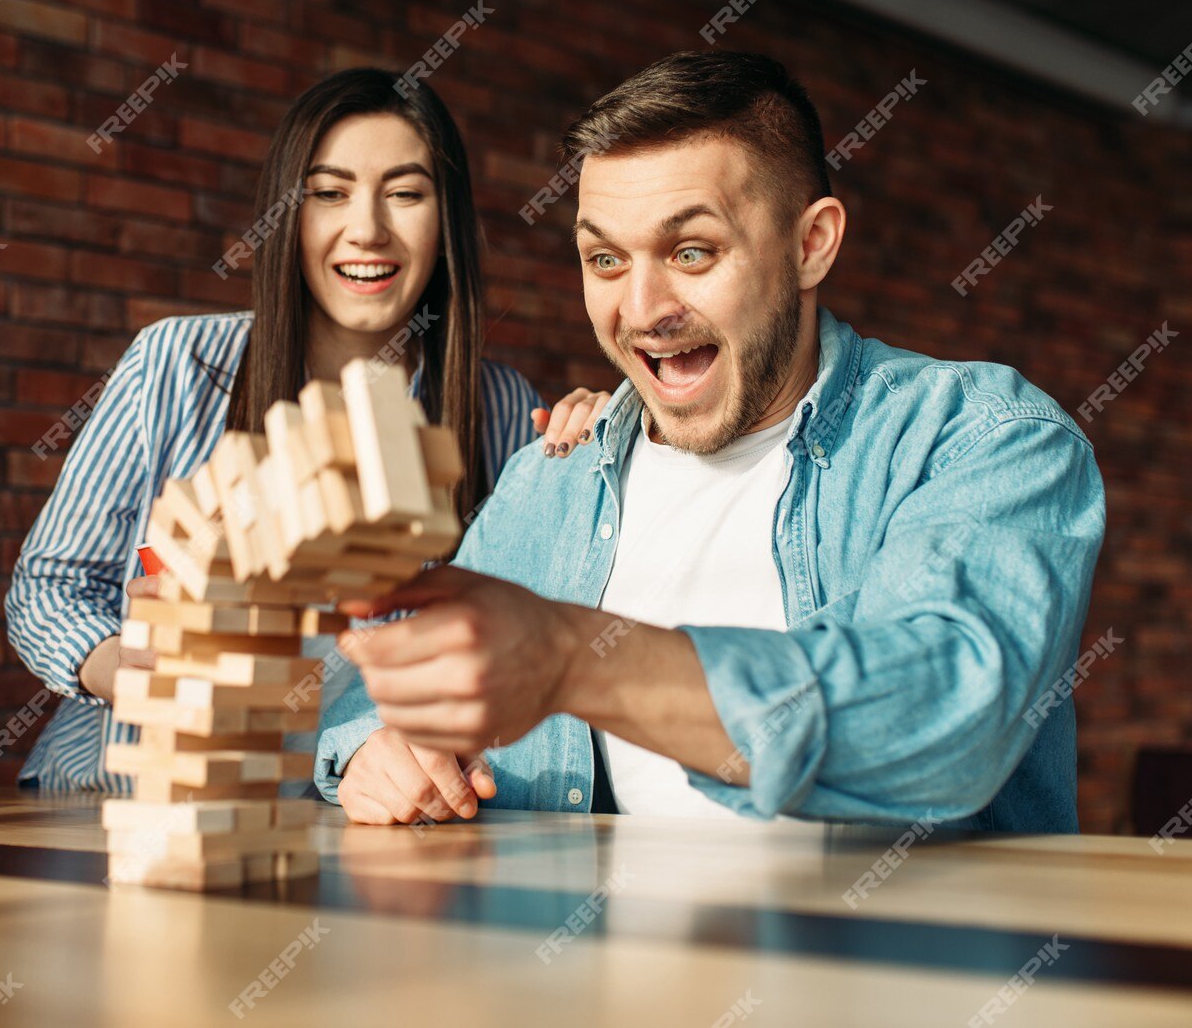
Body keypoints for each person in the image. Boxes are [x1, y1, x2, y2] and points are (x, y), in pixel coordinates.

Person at [316, 50, 1106, 833]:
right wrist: (375, 750)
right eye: (605, 259)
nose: (642, 306)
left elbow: (945, 717)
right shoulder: (547, 480)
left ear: (812, 245)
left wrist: (571, 657)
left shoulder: (982, 440)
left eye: (691, 251)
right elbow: (370, 683)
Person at [6, 68, 606, 791]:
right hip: (112, 795)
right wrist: (121, 669)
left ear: (447, 222)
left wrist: (596, 444)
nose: (368, 230)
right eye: (330, 193)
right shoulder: (178, 363)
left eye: (406, 193)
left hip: (330, 816)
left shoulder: (502, 408)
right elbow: (49, 584)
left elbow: (522, 630)